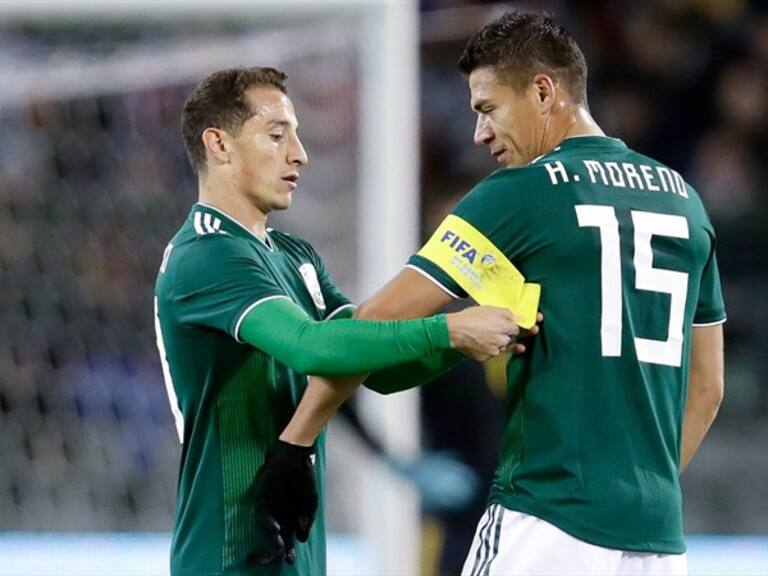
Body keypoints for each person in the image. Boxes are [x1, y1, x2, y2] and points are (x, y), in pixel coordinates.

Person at [264, 11, 726, 575]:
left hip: (547, 522)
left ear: (542, 91)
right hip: (656, 540)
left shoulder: (519, 194)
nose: (479, 133)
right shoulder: (685, 200)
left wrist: (295, 446)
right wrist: (636, 493)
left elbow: (370, 327)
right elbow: (707, 386)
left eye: (487, 109)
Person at [153, 66, 521, 576]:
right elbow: (314, 348)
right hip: (227, 554)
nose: (299, 152)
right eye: (277, 134)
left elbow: (376, 365)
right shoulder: (206, 255)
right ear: (218, 144)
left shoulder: (294, 256)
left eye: (297, 134)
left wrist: (462, 345)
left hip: (293, 546)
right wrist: (450, 329)